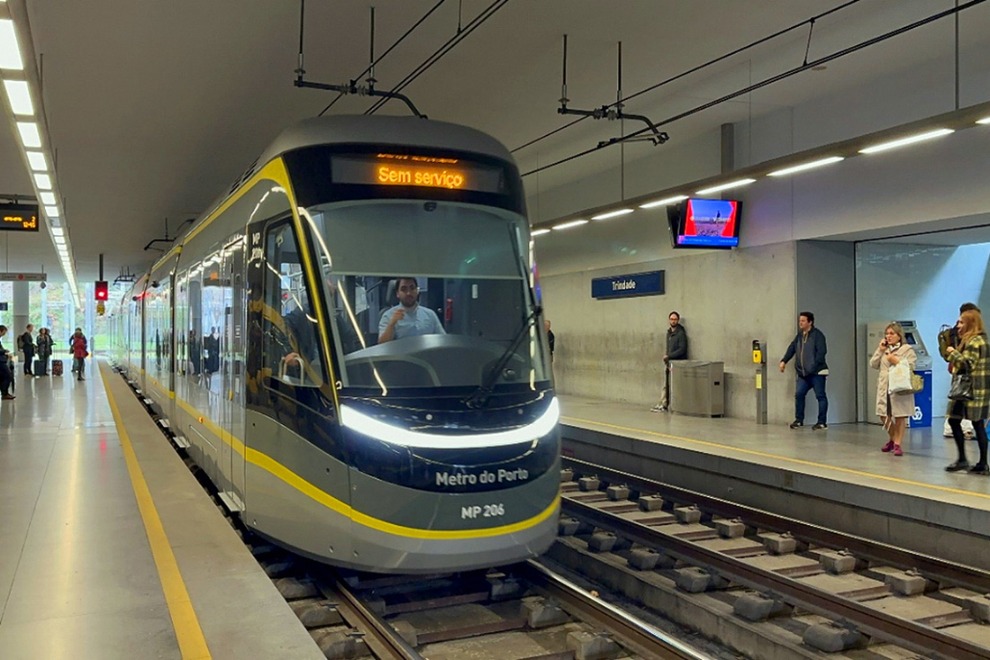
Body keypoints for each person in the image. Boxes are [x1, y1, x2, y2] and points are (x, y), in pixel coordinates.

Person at [944, 309, 989, 475]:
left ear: (970, 323)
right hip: (975, 389)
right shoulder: (976, 340)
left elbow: (967, 363)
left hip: (970, 390)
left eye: (962, 322)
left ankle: (979, 462)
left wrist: (952, 352)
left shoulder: (975, 342)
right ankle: (974, 461)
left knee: (973, 423)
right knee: (962, 421)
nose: (958, 326)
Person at [869, 322, 918, 456]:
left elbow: (912, 366)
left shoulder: (907, 350)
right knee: (883, 414)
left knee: (900, 415)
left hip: (899, 386)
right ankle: (893, 438)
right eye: (887, 334)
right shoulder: (884, 349)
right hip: (884, 386)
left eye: (892, 333)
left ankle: (897, 444)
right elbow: (873, 364)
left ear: (899, 335)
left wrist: (895, 360)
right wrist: (880, 350)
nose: (888, 336)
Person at [779, 311, 829, 430]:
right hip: (803, 374)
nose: (800, 323)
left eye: (803, 321)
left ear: (810, 322)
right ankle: (799, 420)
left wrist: (813, 367)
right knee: (799, 394)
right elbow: (792, 348)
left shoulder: (818, 335)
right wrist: (784, 361)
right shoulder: (799, 336)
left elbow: (821, 352)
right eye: (799, 321)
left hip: (816, 373)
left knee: (820, 396)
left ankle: (822, 422)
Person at [378, 277, 446, 343]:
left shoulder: (430, 314)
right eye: (404, 289)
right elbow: (382, 344)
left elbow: (443, 340)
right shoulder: (388, 316)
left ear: (417, 291)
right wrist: (391, 324)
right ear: (397, 293)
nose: (408, 293)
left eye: (412, 288)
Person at [651, 311, 688, 412]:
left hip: (677, 364)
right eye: (671, 319)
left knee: (673, 386)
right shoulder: (669, 333)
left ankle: (665, 404)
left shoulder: (681, 334)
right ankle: (663, 403)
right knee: (666, 384)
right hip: (669, 363)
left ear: (678, 320)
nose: (673, 321)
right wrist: (667, 360)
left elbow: (682, 349)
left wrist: (669, 356)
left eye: (675, 319)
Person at [0, 325, 14, 400]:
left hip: (2, 360)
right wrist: (4, 351)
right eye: (4, 332)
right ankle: (4, 393)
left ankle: (4, 393)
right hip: (0, 362)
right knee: (8, 375)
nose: (4, 334)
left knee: (3, 377)